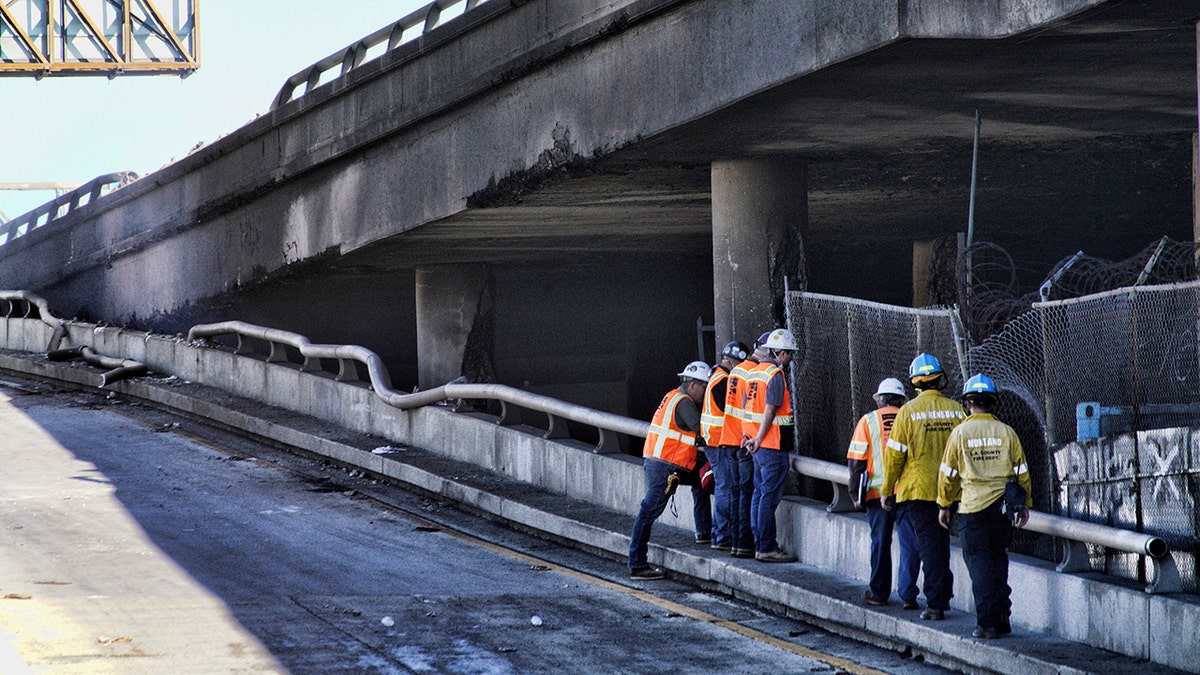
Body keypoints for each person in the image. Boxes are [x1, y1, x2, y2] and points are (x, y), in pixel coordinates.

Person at [937, 373, 1032, 639]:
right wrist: (1023, 505)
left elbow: (948, 475)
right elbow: (1022, 473)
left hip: (972, 510)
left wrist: (944, 504)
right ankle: (1003, 618)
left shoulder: (960, 433)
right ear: (993, 403)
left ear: (968, 404)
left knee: (979, 567)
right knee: (999, 562)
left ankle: (986, 624)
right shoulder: (1007, 432)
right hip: (1001, 511)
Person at [881, 353, 964, 620]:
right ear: (939, 379)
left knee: (930, 545)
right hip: (952, 490)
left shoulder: (908, 412)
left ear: (915, 383)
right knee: (941, 544)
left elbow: (894, 457)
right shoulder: (956, 410)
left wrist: (887, 489)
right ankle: (942, 595)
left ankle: (936, 603)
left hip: (920, 490)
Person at [628, 361, 714, 580]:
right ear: (694, 384)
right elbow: (701, 431)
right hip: (665, 465)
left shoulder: (672, 395)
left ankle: (705, 532)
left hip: (669, 463)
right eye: (704, 387)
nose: (705, 393)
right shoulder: (684, 403)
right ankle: (637, 564)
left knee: (702, 480)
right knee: (648, 512)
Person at [847, 377, 921, 608]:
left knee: (880, 542)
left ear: (879, 400)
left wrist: (855, 496)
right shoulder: (911, 419)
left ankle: (879, 593)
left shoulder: (867, 421)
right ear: (901, 400)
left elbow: (856, 462)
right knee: (910, 543)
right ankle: (908, 595)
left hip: (876, 495)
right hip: (907, 493)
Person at [742, 328, 798, 563]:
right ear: (782, 353)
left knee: (758, 493)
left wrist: (749, 437)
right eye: (791, 354)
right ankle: (766, 546)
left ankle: (759, 543)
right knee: (768, 496)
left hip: (756, 445)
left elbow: (747, 410)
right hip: (771, 445)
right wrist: (759, 438)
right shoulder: (775, 374)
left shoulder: (754, 373)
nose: (792, 358)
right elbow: (770, 410)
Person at [718, 333, 769, 558]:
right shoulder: (754, 372)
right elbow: (752, 408)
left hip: (730, 437)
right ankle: (745, 543)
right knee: (747, 492)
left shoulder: (737, 370)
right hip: (744, 440)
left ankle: (737, 544)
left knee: (738, 492)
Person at [702, 340, 751, 552]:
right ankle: (722, 536)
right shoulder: (723, 381)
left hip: (714, 440)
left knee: (725, 488)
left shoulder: (717, 377)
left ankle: (719, 534)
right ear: (733, 362)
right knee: (726, 488)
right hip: (719, 441)